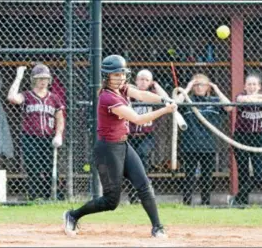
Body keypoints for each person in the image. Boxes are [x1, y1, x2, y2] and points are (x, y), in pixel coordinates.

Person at [63, 55, 177, 238]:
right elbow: (137, 118)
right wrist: (165, 110)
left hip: (123, 144)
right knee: (111, 201)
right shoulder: (107, 97)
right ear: (106, 77)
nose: (120, 78)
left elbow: (141, 94)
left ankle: (157, 227)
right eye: (115, 75)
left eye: (122, 74)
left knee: (144, 185)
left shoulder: (122, 89)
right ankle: (73, 215)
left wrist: (164, 100)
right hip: (107, 150)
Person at [7, 64, 65, 200]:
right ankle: (34, 197)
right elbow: (12, 97)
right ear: (34, 79)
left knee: (49, 168)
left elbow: (60, 118)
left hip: (48, 138)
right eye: (39, 78)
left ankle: (48, 197)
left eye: (45, 78)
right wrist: (18, 77)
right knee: (33, 169)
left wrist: (58, 135)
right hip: (30, 137)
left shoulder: (54, 98)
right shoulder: (27, 95)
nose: (43, 81)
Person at [176, 73, 233, 205]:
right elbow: (175, 104)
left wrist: (217, 89)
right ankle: (187, 202)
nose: (199, 87)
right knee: (189, 176)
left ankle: (206, 202)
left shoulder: (214, 101)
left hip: (209, 146)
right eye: (196, 84)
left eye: (202, 84)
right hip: (190, 145)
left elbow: (229, 107)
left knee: (207, 176)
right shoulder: (187, 100)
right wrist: (187, 88)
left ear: (208, 87)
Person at [233, 73, 262, 205]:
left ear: (259, 86)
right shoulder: (240, 96)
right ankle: (241, 202)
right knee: (243, 172)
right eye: (249, 84)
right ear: (245, 86)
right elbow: (242, 100)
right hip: (241, 136)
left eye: (254, 84)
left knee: (260, 175)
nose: (252, 87)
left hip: (257, 137)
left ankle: (236, 198)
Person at [128, 69, 161, 203]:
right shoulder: (130, 94)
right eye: (141, 79)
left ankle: (145, 189)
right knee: (130, 164)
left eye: (147, 80)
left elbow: (165, 99)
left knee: (142, 155)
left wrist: (157, 86)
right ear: (135, 80)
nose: (143, 82)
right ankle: (133, 196)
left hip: (147, 135)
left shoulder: (152, 95)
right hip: (131, 134)